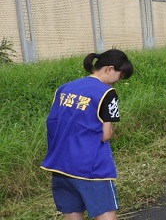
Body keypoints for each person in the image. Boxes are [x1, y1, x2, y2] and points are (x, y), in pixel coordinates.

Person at [41, 49, 134, 220]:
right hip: (91, 167)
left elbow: (52, 124)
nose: (117, 82)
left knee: (72, 214)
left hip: (60, 165)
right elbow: (106, 134)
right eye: (120, 76)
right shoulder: (107, 93)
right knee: (105, 213)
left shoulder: (64, 88)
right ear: (110, 69)